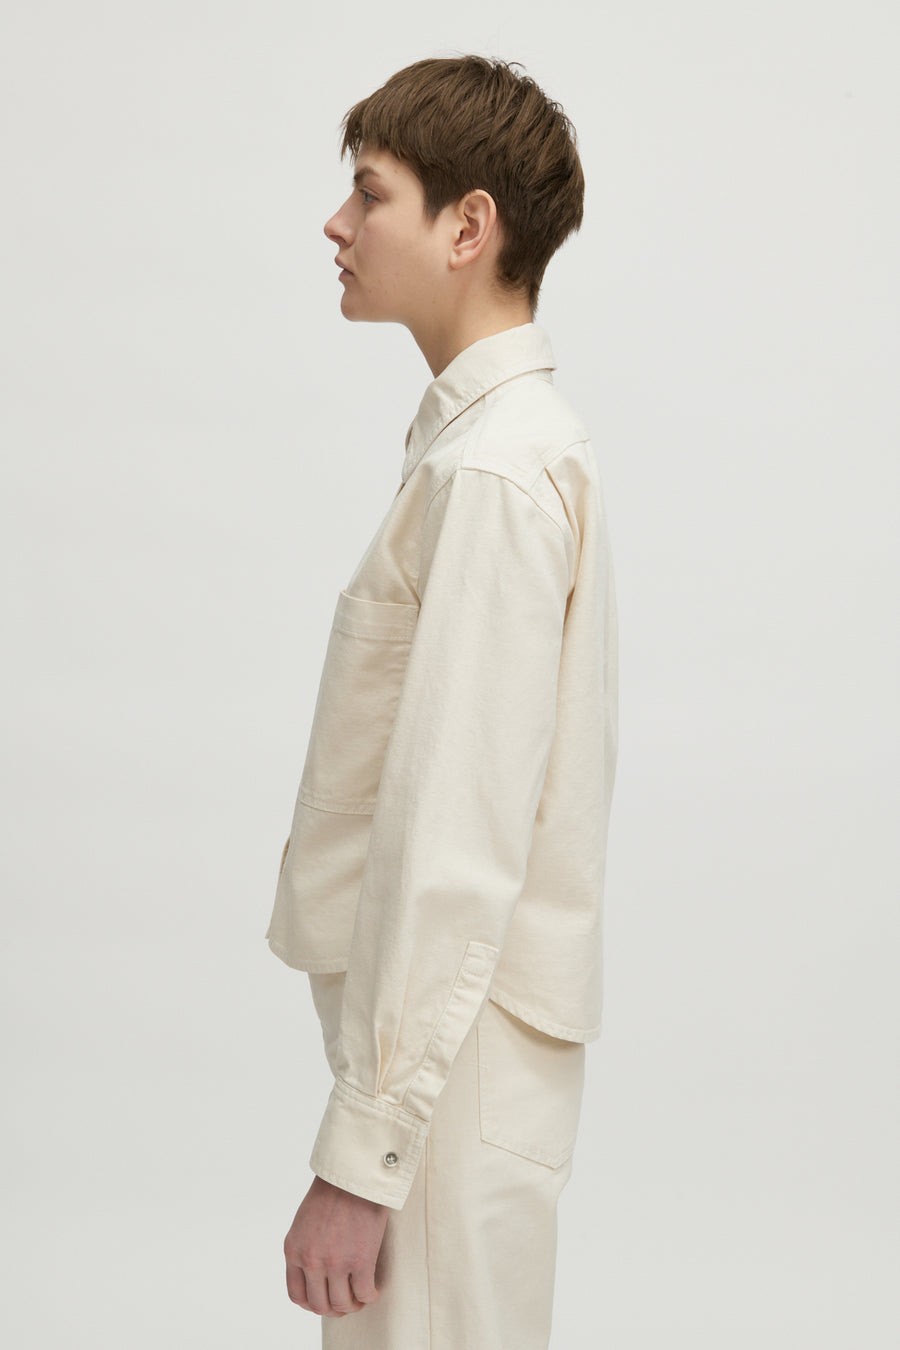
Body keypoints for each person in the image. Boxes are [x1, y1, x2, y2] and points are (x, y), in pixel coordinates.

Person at [266, 54, 619, 1349]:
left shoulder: (493, 474)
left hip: (444, 1075)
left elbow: (454, 838)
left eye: (371, 194)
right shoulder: (488, 453)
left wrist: (365, 1156)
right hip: (450, 1060)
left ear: (469, 227)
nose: (338, 224)